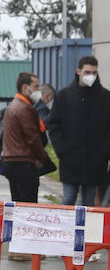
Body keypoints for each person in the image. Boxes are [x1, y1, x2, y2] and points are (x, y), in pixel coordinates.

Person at [46, 56, 110, 206]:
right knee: (68, 199)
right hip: (70, 161)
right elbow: (54, 125)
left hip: (95, 162)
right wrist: (62, 150)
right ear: (78, 71)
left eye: (94, 72)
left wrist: (104, 152)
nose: (91, 76)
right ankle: (66, 230)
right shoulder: (64, 96)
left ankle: (86, 230)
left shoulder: (105, 97)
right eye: (87, 72)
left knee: (88, 203)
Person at [1, 72, 52, 204]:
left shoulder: (12, 106)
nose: (38, 90)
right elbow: (32, 138)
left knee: (17, 202)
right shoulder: (24, 109)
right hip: (24, 162)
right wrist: (43, 159)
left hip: (11, 160)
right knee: (28, 206)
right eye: (36, 86)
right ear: (25, 88)